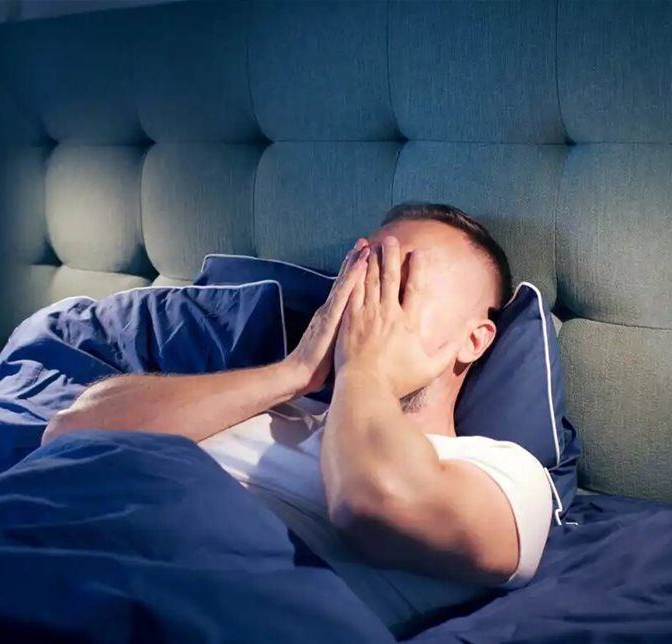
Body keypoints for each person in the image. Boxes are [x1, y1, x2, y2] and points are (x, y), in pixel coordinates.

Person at [43, 203, 552, 634]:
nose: (366, 302)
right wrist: (294, 373)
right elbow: (71, 432)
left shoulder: (505, 472)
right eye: (362, 275)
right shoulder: (266, 406)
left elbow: (372, 504)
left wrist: (365, 369)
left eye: (399, 286)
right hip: (53, 540)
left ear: (474, 340)